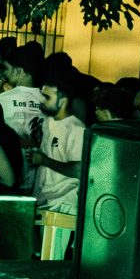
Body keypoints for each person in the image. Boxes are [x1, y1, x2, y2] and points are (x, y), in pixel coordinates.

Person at [29, 73, 88, 233]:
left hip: (63, 205)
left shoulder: (76, 129)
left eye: (47, 97)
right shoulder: (47, 122)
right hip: (42, 201)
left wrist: (44, 161)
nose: (41, 100)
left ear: (63, 100)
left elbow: (78, 170)